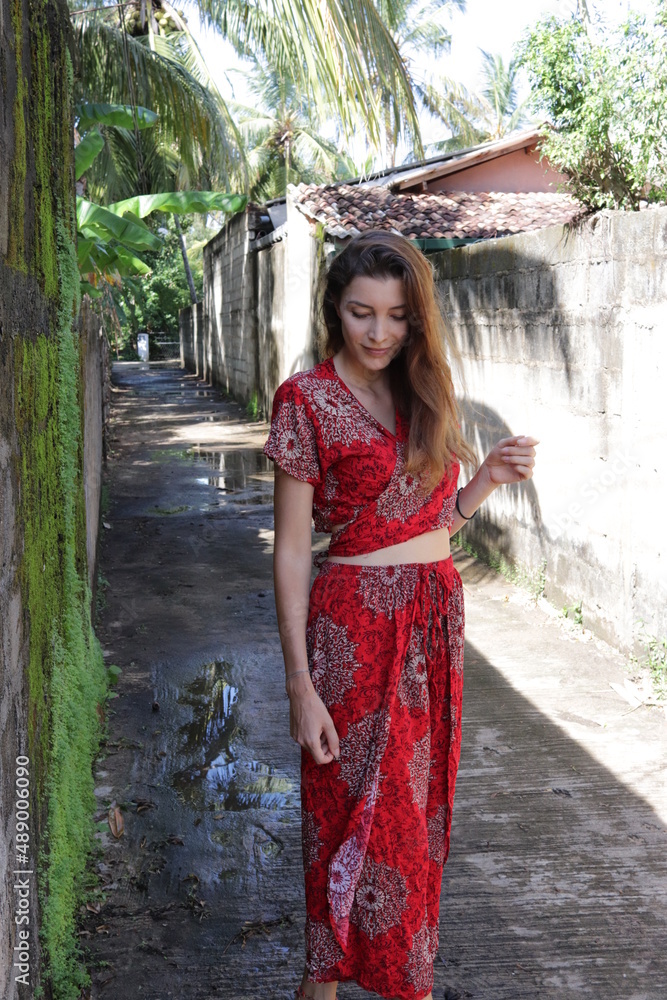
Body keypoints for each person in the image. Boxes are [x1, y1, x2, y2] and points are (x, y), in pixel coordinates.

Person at [263, 231, 538, 1000]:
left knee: (413, 833)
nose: (379, 333)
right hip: (350, 632)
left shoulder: (423, 393)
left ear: (416, 320)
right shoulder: (307, 401)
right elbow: (291, 551)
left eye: (395, 316)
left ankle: (403, 984)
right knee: (343, 818)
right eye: (360, 314)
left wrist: (481, 479)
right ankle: (320, 983)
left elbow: (427, 525)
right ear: (334, 312)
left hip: (432, 626)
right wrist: (299, 685)